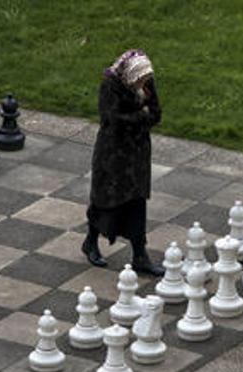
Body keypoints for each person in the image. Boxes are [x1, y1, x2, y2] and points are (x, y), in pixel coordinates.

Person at [82, 49, 165, 277]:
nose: (143, 84)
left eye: (145, 80)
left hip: (137, 154)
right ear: (130, 74)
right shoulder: (111, 84)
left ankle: (140, 255)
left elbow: (156, 113)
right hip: (112, 153)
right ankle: (91, 242)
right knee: (106, 199)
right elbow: (111, 120)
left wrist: (140, 115)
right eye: (138, 80)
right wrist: (141, 115)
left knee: (137, 201)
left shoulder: (144, 78)